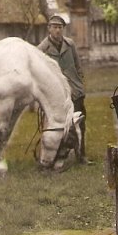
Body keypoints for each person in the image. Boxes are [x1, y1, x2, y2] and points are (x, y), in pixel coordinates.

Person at [38, 15, 86, 162]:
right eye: (55, 27)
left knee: (79, 124)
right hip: (55, 95)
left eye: (60, 27)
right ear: (49, 29)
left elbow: (78, 67)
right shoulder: (42, 49)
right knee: (58, 125)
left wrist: (79, 84)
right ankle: (56, 155)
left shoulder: (70, 44)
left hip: (74, 91)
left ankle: (81, 154)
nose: (58, 30)